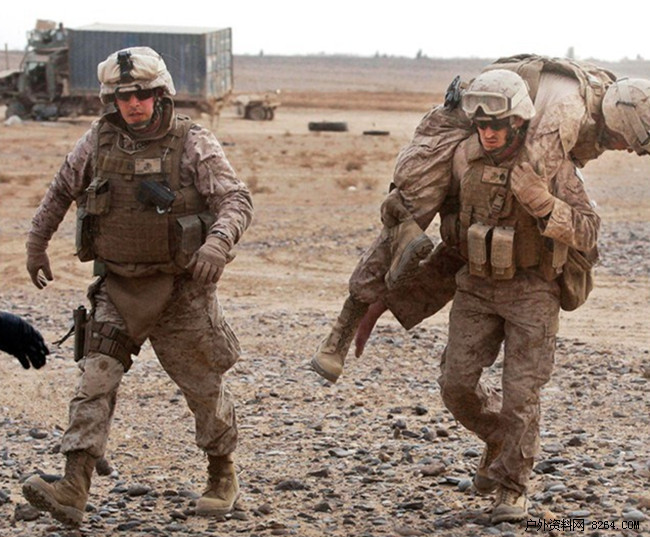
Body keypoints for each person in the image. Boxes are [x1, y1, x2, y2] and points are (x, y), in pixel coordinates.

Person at [311, 54, 650, 383]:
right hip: (461, 123)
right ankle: (341, 332)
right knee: (408, 215)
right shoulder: (567, 112)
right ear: (619, 122)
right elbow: (529, 176)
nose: (625, 149)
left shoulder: (607, 90)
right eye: (625, 141)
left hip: (505, 121)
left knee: (485, 234)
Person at [21, 46, 253, 527]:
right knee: (95, 382)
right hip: (119, 287)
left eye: (142, 94)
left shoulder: (192, 142)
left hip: (180, 289)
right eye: (123, 96)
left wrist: (217, 244)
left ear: (161, 94)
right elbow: (61, 190)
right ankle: (73, 486)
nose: (133, 104)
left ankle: (222, 473)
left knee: (203, 387)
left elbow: (235, 199)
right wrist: (36, 244)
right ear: (111, 100)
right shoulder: (98, 141)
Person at [438, 69, 600, 523]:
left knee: (521, 395)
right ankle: (498, 437)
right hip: (476, 286)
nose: (488, 133)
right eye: (481, 125)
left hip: (532, 290)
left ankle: (513, 486)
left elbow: (589, 231)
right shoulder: (464, 159)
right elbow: (443, 209)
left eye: (497, 124)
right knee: (455, 385)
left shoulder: (551, 167)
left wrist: (544, 203)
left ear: (519, 122)